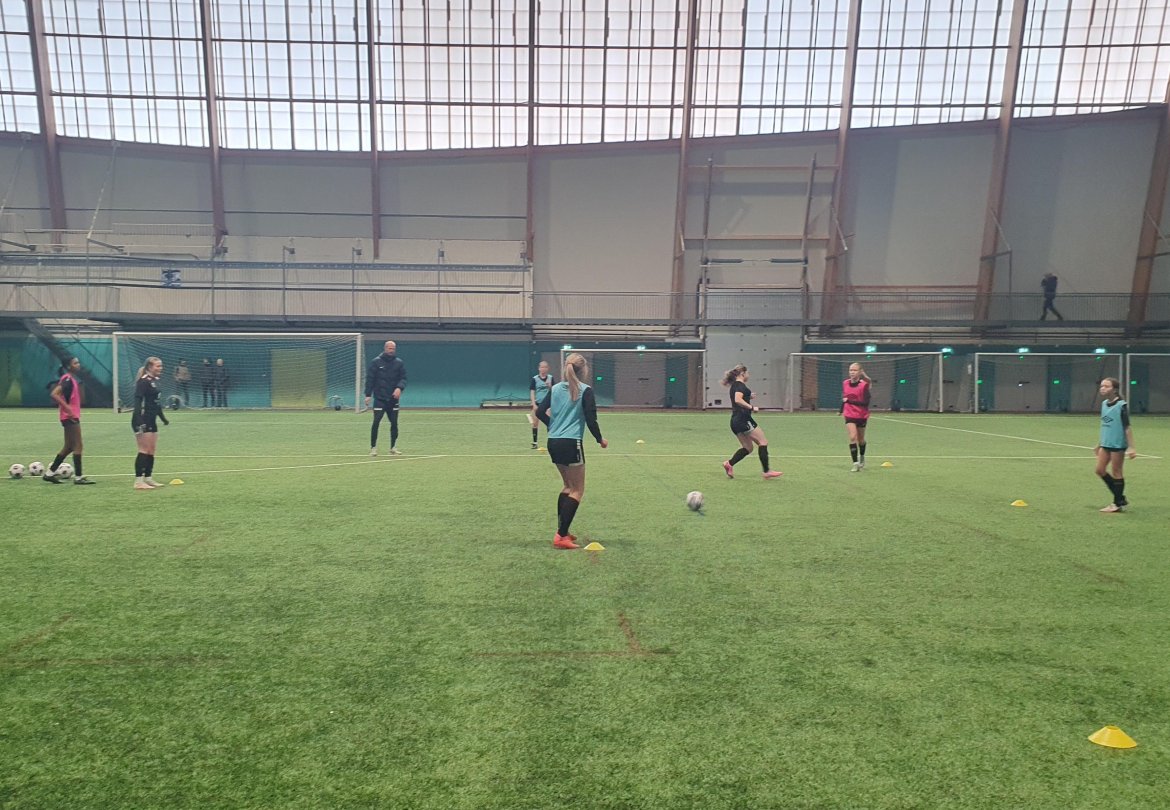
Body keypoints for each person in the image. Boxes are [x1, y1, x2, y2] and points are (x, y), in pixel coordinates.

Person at [535, 353, 608, 549]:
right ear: (583, 371)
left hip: (553, 442)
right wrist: (600, 439)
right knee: (577, 490)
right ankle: (561, 536)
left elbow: (539, 412)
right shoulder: (586, 391)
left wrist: (553, 425)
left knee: (567, 486)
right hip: (571, 442)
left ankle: (563, 531)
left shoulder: (555, 388)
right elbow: (591, 419)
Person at [720, 364, 782, 480]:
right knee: (763, 442)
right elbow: (738, 399)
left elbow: (740, 397)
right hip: (743, 419)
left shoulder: (735, 386)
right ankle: (767, 471)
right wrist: (752, 407)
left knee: (748, 448)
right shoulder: (740, 385)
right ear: (742, 374)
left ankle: (729, 464)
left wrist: (748, 396)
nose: (748, 375)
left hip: (735, 421)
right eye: (747, 373)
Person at [43, 358, 95, 485]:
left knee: (68, 447)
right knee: (78, 445)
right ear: (68, 366)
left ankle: (49, 473)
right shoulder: (67, 379)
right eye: (75, 363)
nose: (78, 365)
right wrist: (68, 408)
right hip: (70, 417)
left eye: (78, 362)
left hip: (69, 416)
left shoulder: (71, 379)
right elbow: (54, 394)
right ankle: (78, 477)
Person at [1095, 377, 1136, 513]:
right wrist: (1099, 444)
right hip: (1106, 443)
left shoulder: (1121, 405)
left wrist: (1131, 447)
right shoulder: (1104, 404)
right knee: (1099, 470)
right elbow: (1105, 425)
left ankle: (1116, 503)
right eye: (1102, 386)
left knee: (1116, 472)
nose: (1102, 388)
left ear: (1114, 389)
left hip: (1117, 444)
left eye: (1106, 386)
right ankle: (1120, 498)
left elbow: (1127, 427)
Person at [132, 356, 169, 490]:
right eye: (157, 366)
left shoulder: (155, 381)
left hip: (152, 419)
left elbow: (156, 404)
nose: (160, 368)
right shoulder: (143, 382)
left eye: (161, 365)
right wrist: (138, 420)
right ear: (149, 367)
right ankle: (138, 481)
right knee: (144, 449)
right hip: (143, 419)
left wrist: (163, 418)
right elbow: (138, 402)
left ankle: (148, 478)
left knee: (151, 450)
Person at [365, 340, 407, 456]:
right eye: (389, 348)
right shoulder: (376, 362)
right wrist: (368, 395)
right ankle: (373, 447)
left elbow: (403, 378)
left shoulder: (399, 363)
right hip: (380, 398)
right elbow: (370, 379)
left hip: (393, 400)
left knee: (394, 423)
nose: (391, 350)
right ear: (385, 348)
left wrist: (399, 388)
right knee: (376, 422)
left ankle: (393, 447)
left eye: (393, 348)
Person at [842, 362, 873, 472]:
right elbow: (845, 398)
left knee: (861, 440)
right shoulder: (845, 383)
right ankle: (855, 463)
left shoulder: (864, 385)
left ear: (860, 372)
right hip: (849, 414)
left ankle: (862, 456)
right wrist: (841, 410)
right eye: (850, 370)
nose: (852, 372)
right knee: (852, 437)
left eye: (855, 370)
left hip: (861, 415)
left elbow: (865, 403)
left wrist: (850, 401)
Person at [528, 360, 555, 449]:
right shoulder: (535, 379)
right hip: (538, 403)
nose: (543, 369)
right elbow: (532, 392)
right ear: (539, 368)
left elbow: (554, 391)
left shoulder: (550, 378)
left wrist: (549, 386)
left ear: (548, 368)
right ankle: (535, 442)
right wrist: (533, 404)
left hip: (547, 405)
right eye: (542, 367)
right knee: (535, 423)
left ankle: (551, 441)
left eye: (545, 367)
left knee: (549, 423)